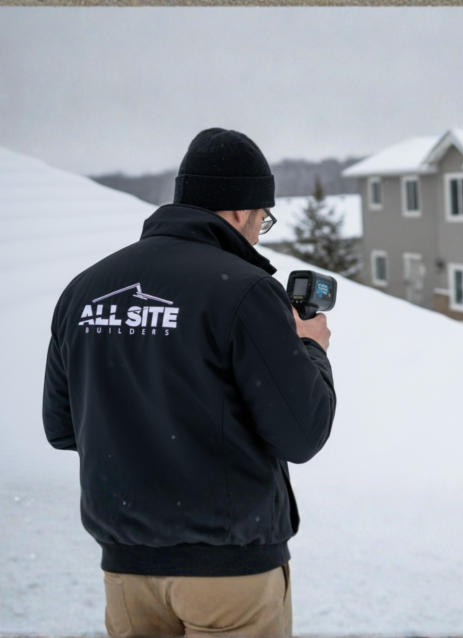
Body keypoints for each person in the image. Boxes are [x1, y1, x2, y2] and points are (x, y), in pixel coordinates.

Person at [42, 128, 335, 637]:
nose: (259, 233)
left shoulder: (85, 289)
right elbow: (302, 433)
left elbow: (63, 428)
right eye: (263, 218)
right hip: (228, 573)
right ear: (241, 210)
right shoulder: (245, 291)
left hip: (127, 570)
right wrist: (311, 347)